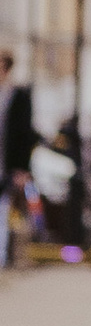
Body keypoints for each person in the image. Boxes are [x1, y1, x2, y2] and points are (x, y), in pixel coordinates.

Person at [0, 50, 30, 265]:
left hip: (5, 165)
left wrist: (21, 168)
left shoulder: (18, 96)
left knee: (2, 212)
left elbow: (23, 135)